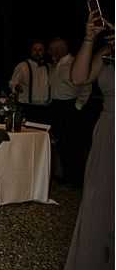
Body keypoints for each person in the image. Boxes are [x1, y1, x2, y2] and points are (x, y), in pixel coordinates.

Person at [62, 10, 114, 270]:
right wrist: (89, 39)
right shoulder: (108, 51)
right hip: (108, 132)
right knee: (99, 201)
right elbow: (78, 77)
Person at [47, 37, 92, 185]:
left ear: (60, 49)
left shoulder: (74, 63)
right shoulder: (56, 64)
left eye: (52, 49)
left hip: (70, 107)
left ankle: (76, 178)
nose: (49, 52)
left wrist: (78, 106)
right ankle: (66, 176)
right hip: (57, 106)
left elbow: (86, 86)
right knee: (61, 143)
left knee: (73, 143)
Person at [9, 40, 51, 123]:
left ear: (44, 52)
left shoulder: (49, 67)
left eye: (40, 50)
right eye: (35, 50)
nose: (37, 52)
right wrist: (16, 87)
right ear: (31, 51)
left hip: (45, 108)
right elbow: (12, 82)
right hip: (27, 108)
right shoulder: (22, 66)